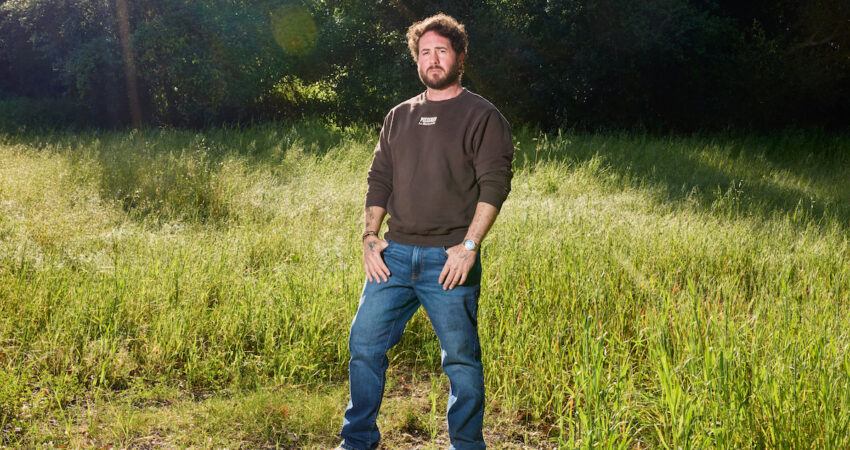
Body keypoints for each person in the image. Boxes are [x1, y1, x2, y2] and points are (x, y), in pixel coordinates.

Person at [337, 13, 514, 450]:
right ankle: (358, 440)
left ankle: (466, 445)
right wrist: (369, 237)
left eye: (442, 51)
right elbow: (379, 178)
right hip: (394, 256)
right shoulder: (399, 116)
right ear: (416, 59)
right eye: (425, 52)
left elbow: (495, 184)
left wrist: (469, 246)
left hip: (449, 260)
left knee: (461, 360)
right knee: (364, 345)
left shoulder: (482, 115)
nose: (433, 59)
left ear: (460, 57)